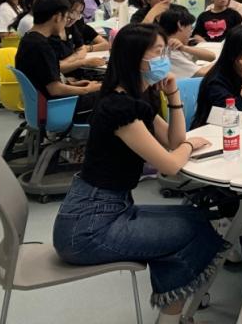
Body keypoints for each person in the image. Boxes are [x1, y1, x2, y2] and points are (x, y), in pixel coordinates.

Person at [52, 23, 226, 322]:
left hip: (108, 208)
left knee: (195, 217)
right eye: (158, 52)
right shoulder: (119, 107)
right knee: (191, 230)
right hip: (88, 227)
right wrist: (189, 145)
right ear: (136, 59)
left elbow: (172, 140)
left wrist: (173, 95)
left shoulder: (135, 98)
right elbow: (170, 164)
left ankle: (173, 309)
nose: (164, 59)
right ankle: (173, 313)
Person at [15, 0, 101, 122]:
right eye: (66, 17)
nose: (66, 21)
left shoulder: (28, 39)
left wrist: (75, 85)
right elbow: (55, 89)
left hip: (46, 103)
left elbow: (45, 80)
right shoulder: (42, 46)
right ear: (58, 17)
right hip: (59, 106)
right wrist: (86, 89)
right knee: (114, 95)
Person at [156, 5, 216, 78]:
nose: (190, 33)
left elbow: (211, 56)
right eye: (190, 27)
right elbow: (203, 73)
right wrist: (225, 60)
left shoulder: (178, 46)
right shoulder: (170, 51)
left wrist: (184, 48)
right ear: (180, 25)